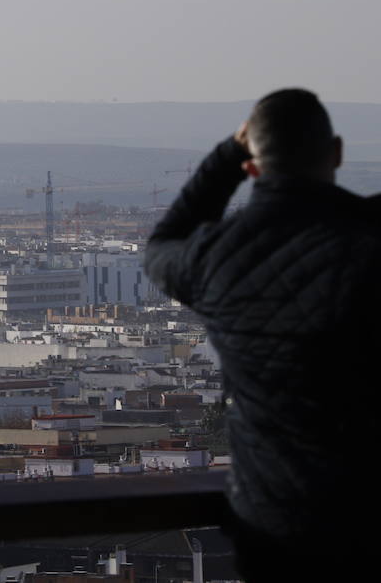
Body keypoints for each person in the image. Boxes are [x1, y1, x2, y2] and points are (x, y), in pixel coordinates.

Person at [145, 88, 380, 581]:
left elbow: (163, 244)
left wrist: (229, 156)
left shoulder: (216, 255)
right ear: (336, 153)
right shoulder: (368, 237)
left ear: (252, 167)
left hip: (272, 525)